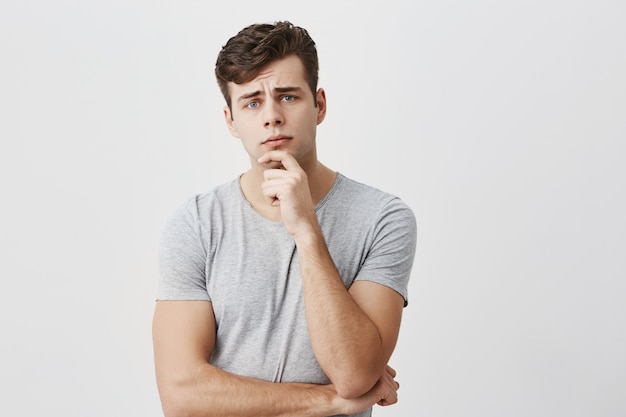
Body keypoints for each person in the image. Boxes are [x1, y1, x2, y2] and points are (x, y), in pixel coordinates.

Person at [152, 21, 417, 417]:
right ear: (230, 120)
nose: (272, 116)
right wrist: (328, 401)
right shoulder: (196, 223)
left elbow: (353, 374)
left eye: (288, 96)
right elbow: (181, 393)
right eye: (252, 102)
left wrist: (306, 230)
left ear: (320, 105)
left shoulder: (383, 219)